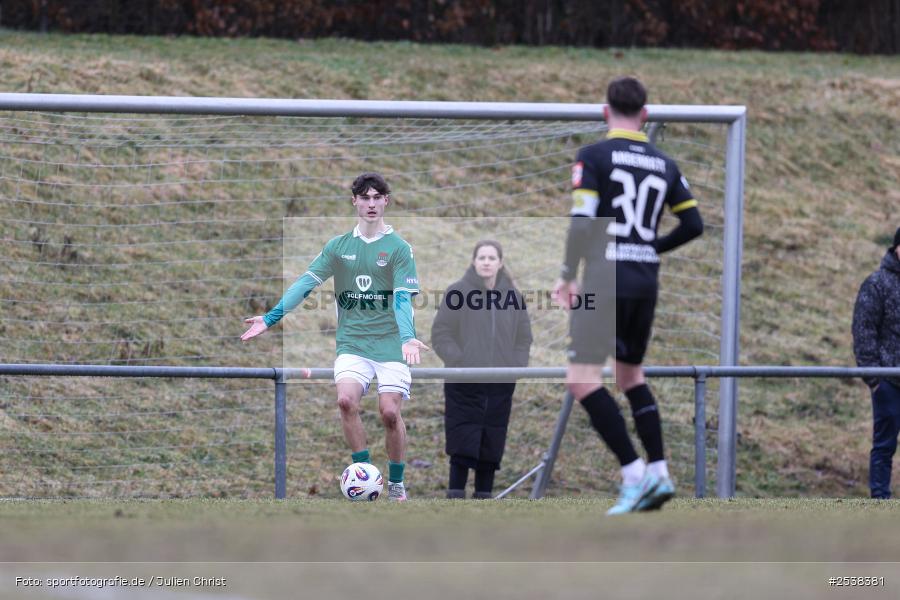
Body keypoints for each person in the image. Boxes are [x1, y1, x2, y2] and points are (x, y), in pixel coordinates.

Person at [553, 76, 704, 515]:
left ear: (605, 112)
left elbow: (582, 221)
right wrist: (650, 249)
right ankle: (659, 471)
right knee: (630, 375)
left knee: (582, 379)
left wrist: (567, 273)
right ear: (646, 114)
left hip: (605, 275)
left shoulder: (594, 156)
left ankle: (634, 475)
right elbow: (693, 225)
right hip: (644, 279)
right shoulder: (664, 163)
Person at [241, 172, 430, 502]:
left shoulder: (399, 249)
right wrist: (270, 318)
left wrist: (408, 337)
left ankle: (397, 483)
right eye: (364, 198)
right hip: (353, 342)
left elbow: (402, 297)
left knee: (388, 412)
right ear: (354, 201)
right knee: (345, 401)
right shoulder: (339, 247)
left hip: (390, 344)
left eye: (377, 198)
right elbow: (305, 283)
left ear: (386, 201)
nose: (371, 204)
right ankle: (365, 476)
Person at [431, 240, 533, 499]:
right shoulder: (457, 292)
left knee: (491, 444)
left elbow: (524, 337)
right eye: (482, 257)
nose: (486, 262)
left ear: (500, 262)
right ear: (474, 261)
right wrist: (459, 361)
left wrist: (516, 367)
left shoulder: (514, 297)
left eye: (491, 258)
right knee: (462, 443)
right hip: (464, 384)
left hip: (500, 386)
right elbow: (441, 332)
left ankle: (484, 500)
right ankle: (455, 498)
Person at [852, 227, 900, 499]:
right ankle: (880, 502)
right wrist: (875, 379)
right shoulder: (876, 284)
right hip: (888, 382)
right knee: (884, 445)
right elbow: (864, 331)